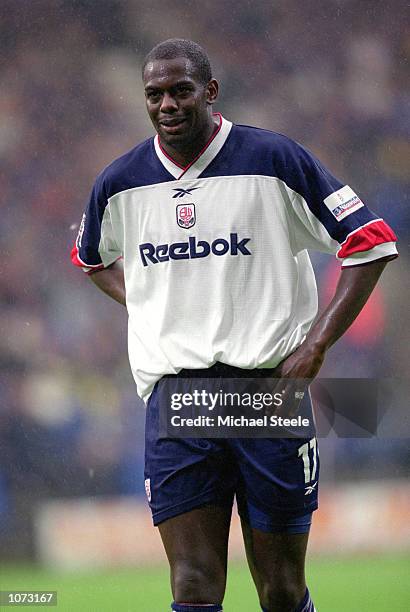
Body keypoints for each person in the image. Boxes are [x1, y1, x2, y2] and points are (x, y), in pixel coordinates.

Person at [71, 39, 397, 612]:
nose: (167, 105)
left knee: (280, 588)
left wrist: (317, 345)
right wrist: (147, 302)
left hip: (266, 393)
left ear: (211, 92)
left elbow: (371, 243)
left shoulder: (274, 159)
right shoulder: (119, 182)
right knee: (193, 585)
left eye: (180, 91)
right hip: (179, 401)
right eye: (155, 95)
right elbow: (91, 259)